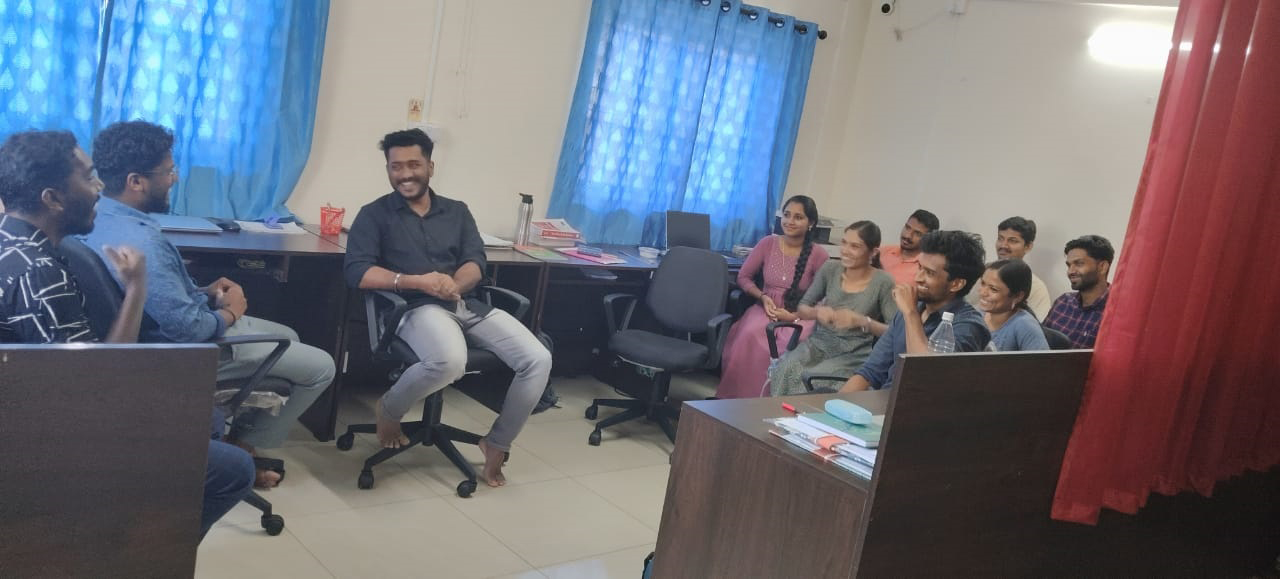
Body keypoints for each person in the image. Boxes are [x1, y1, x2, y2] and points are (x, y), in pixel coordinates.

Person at [0, 130, 253, 539]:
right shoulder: (40, 273)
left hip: (34, 411)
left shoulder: (12, 239)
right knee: (234, 470)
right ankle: (145, 555)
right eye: (88, 177)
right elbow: (103, 382)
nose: (99, 188)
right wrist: (136, 288)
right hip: (42, 444)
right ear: (53, 198)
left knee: (206, 418)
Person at [81, 120, 335, 488]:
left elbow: (157, 295)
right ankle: (242, 448)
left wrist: (203, 290)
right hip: (185, 352)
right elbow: (190, 330)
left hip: (158, 334)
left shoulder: (98, 217)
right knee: (322, 366)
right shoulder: (143, 241)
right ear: (136, 181)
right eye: (168, 171)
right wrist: (231, 311)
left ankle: (230, 435)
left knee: (290, 336)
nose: (174, 179)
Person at [344, 128, 552, 488]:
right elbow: (358, 272)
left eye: (413, 164)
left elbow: (475, 262)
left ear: (430, 166)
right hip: (413, 309)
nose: (405, 174)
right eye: (396, 166)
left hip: (465, 304)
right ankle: (389, 408)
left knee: (538, 358)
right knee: (451, 361)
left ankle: (497, 442)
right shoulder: (374, 214)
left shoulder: (457, 212)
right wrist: (418, 281)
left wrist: (456, 283)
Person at [842, 230, 991, 392]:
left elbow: (925, 376)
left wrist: (910, 314)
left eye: (929, 273)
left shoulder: (969, 326)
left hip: (920, 405)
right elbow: (870, 372)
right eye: (920, 267)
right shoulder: (912, 309)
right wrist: (834, 403)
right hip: (884, 400)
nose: (918, 278)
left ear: (956, 284)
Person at [715, 195, 828, 398]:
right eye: (787, 215)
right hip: (765, 309)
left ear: (810, 223)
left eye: (798, 217)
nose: (790, 221)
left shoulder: (819, 254)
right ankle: (735, 401)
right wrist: (762, 297)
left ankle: (769, 403)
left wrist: (794, 316)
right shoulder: (768, 243)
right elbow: (744, 277)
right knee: (750, 335)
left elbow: (825, 297)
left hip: (800, 315)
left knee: (791, 344)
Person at [768, 221, 898, 396]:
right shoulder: (830, 269)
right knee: (786, 368)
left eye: (855, 246)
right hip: (818, 343)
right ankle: (777, 412)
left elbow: (895, 332)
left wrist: (863, 321)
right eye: (844, 243)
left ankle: (803, 414)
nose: (845, 250)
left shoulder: (883, 281)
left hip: (853, 354)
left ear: (873, 252)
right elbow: (803, 307)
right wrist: (817, 312)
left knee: (813, 379)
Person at [1045, 235, 1114, 348]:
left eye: (1079, 263)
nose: (1070, 271)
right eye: (1069, 265)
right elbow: (1040, 345)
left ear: (1102, 267)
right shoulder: (1063, 302)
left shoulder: (1116, 312)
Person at [975, 259, 1049, 351]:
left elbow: (1042, 360)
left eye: (993, 289)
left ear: (1018, 296)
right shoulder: (975, 314)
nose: (983, 292)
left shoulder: (1025, 325)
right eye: (983, 284)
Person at [990, 216, 1052, 320]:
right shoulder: (982, 272)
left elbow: (1035, 326)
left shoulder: (1036, 287)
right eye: (1000, 238)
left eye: (1012, 241)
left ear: (1028, 247)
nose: (1003, 245)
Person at [879, 209, 940, 285]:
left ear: (928, 239)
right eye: (907, 227)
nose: (908, 235)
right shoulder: (883, 251)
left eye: (917, 233)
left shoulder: (925, 269)